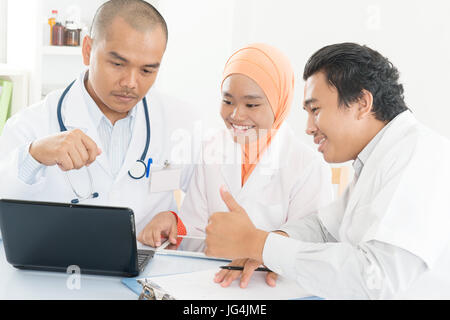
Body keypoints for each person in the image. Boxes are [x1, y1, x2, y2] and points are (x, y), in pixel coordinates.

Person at [204, 42, 450, 299]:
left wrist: (259, 244)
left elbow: (376, 278)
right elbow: (325, 228)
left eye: (316, 110)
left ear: (362, 103)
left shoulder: (421, 154)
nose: (309, 127)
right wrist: (269, 242)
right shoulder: (376, 158)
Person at [139, 43, 333, 288]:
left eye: (252, 105)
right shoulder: (211, 150)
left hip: (271, 289)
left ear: (280, 103)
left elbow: (309, 250)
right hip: (213, 284)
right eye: (228, 101)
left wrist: (261, 251)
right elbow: (197, 231)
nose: (237, 115)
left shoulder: (307, 166)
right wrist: (174, 224)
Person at [0, 0, 188, 236]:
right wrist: (34, 156)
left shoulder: (181, 122)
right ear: (87, 50)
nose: (131, 82)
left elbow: (206, 209)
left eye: (147, 71)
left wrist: (176, 220)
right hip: (57, 267)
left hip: (149, 269)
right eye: (118, 64)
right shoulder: (30, 125)